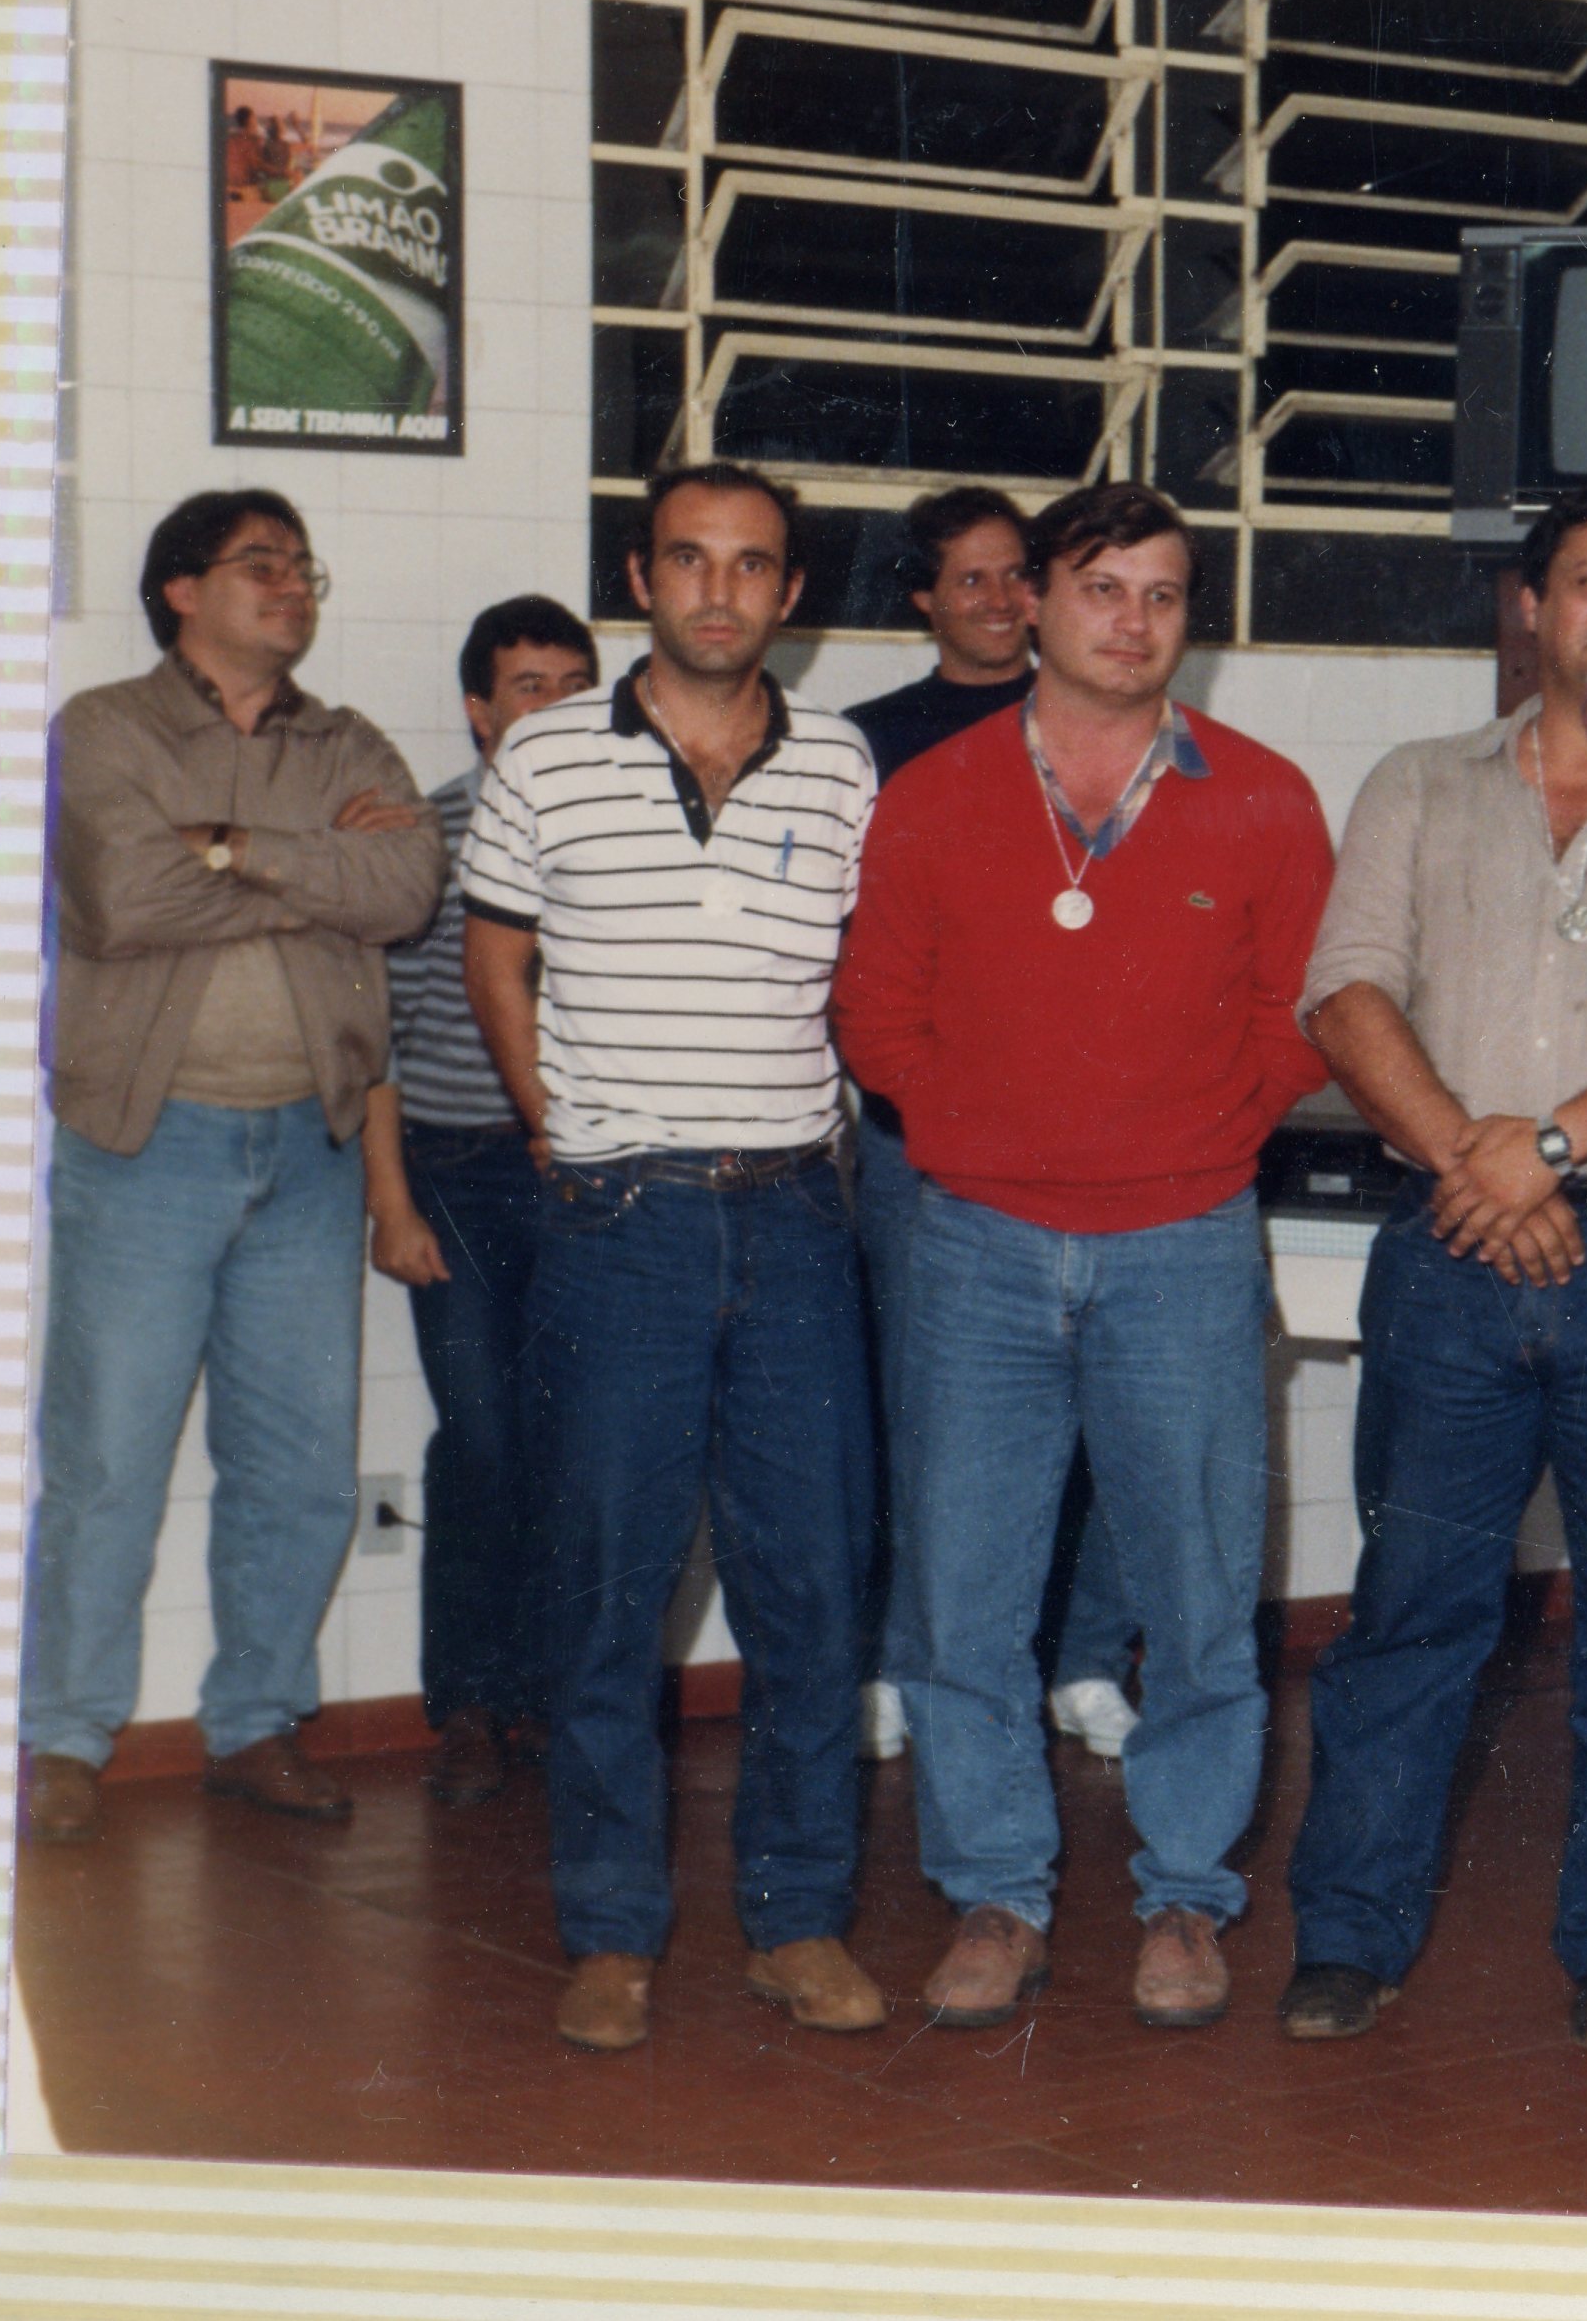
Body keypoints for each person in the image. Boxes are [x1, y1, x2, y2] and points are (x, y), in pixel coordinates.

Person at [833, 480, 1332, 2033]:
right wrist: (982, 1134)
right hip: (974, 1242)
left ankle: (1184, 1893)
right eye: (1102, 588)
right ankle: (996, 1890)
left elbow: (1300, 1017)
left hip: (1182, 1240)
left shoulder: (1260, 797)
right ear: (1034, 604)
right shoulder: (934, 793)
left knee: (1198, 1592)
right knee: (966, 1592)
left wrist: (1195, 1136)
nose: (1132, 620)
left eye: (1163, 594)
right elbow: (875, 1011)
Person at [1278, 485, 1587, 2052]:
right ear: (1529, 606)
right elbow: (1346, 992)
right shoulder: (1418, 782)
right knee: (1409, 1608)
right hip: (1449, 1251)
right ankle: (1347, 1931)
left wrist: (1539, 1149)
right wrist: (1478, 1169)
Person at [461, 460, 885, 2054]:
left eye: (752, 563)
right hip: (617, 1224)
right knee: (603, 1588)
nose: (720, 589)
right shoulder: (547, 754)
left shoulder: (841, 764)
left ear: (790, 592)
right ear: (641, 577)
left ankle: (797, 1918)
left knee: (811, 1585)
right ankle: (610, 1930)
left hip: (793, 1221)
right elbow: (494, 950)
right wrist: (551, 1123)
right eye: (690, 559)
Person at [27, 491, 444, 1847]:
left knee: (301, 1465)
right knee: (108, 1459)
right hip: (147, 1146)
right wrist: (321, 863)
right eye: (258, 562)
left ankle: (255, 1723)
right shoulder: (105, 728)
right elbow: (122, 898)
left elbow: (406, 889)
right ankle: (61, 1736)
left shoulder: (347, 738)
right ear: (179, 590)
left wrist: (228, 844)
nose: (290, 583)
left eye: (301, 564)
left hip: (310, 1151)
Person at [841, 488, 1143, 1767]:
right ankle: (907, 1659)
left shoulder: (1100, 726)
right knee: (930, 1420)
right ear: (922, 596)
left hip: (1090, 1145)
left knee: (1102, 1419)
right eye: (969, 579)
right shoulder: (870, 744)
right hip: (928, 1147)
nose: (1001, 601)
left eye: (1018, 574)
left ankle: (1083, 1658)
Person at [363, 595, 600, 1807]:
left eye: (574, 683)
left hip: (589, 1181)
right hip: (455, 1173)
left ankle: (557, 1699)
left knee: (580, 1439)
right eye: (528, 685)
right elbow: (378, 1040)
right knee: (483, 1436)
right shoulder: (428, 839)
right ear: (478, 709)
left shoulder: (623, 830)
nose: (553, 706)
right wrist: (390, 1202)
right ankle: (468, 1699)